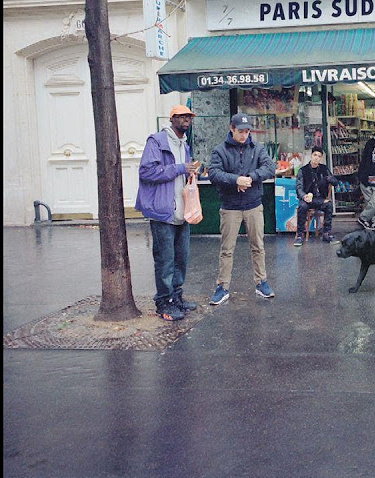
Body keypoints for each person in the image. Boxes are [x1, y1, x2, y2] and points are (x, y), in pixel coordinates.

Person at [135, 105, 202, 321]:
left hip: (183, 212)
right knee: (165, 261)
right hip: (163, 211)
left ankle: (177, 298)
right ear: (172, 119)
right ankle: (163, 303)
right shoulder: (157, 141)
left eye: (189, 117)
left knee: (181, 259)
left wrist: (191, 173)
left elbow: (182, 174)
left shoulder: (185, 145)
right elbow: (146, 172)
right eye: (181, 117)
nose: (186, 120)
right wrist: (180, 168)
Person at [208, 112, 278, 305]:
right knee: (227, 249)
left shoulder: (257, 148)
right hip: (230, 207)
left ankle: (261, 282)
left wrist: (250, 178)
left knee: (258, 246)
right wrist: (235, 180)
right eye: (240, 131)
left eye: (247, 131)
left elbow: (270, 167)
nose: (244, 134)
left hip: (253, 204)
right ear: (231, 129)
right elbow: (214, 173)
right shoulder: (220, 150)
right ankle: (222, 287)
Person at [293, 146, 337, 246]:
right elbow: (299, 188)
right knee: (302, 206)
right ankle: (300, 235)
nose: (316, 158)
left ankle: (326, 233)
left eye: (319, 156)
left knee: (329, 205)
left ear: (321, 158)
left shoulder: (324, 169)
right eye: (315, 155)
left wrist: (329, 179)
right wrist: (304, 196)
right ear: (311, 156)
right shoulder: (303, 170)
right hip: (306, 199)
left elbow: (335, 182)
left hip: (320, 199)